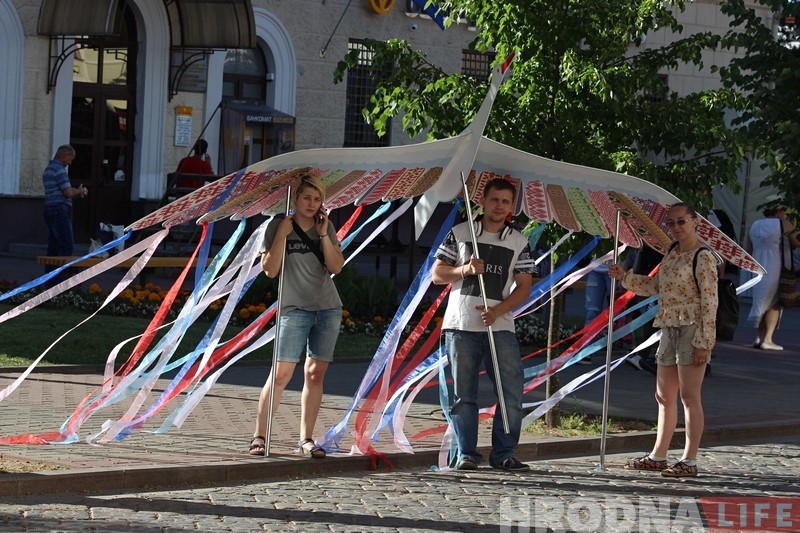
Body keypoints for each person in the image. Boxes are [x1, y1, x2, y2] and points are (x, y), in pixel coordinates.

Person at [431, 178, 536, 472]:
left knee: (510, 393)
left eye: (505, 201)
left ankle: (504, 453)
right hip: (461, 325)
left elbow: (524, 286)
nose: (499, 206)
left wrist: (498, 310)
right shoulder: (461, 233)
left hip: (500, 327)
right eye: (494, 200)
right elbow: (437, 274)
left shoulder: (519, 242)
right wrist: (465, 269)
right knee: (464, 394)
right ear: (483, 202)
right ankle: (466, 453)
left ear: (511, 206)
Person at [608, 202, 717, 478]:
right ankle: (658, 455)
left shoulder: (702, 256)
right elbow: (658, 287)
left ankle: (689, 460)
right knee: (663, 395)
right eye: (672, 223)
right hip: (669, 325)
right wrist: (626, 278)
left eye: (682, 221)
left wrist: (705, 342)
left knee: (689, 396)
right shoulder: (671, 252)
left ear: (695, 222)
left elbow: (710, 301)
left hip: (693, 327)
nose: (677, 227)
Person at [249, 176, 344, 458]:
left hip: (327, 308)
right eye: (306, 198)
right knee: (281, 375)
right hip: (294, 308)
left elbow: (337, 267)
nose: (311, 204)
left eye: (317, 199)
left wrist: (325, 234)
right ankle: (260, 436)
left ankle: (306, 439)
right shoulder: (278, 225)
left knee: (315, 374)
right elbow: (270, 269)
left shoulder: (324, 227)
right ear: (295, 199)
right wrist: (281, 234)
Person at [746, 199, 800, 351]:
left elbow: (747, 247)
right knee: (775, 302)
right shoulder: (784, 224)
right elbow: (796, 242)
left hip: (758, 265)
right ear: (778, 212)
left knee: (761, 300)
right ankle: (768, 339)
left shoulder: (755, 225)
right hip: (776, 265)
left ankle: (758, 337)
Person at [42, 145, 88, 277]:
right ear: (65, 154)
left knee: (53, 248)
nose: (70, 163)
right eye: (71, 158)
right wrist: (80, 191)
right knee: (67, 246)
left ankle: (49, 281)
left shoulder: (48, 170)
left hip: (49, 209)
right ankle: (62, 282)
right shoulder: (59, 170)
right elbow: (68, 192)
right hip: (59, 210)